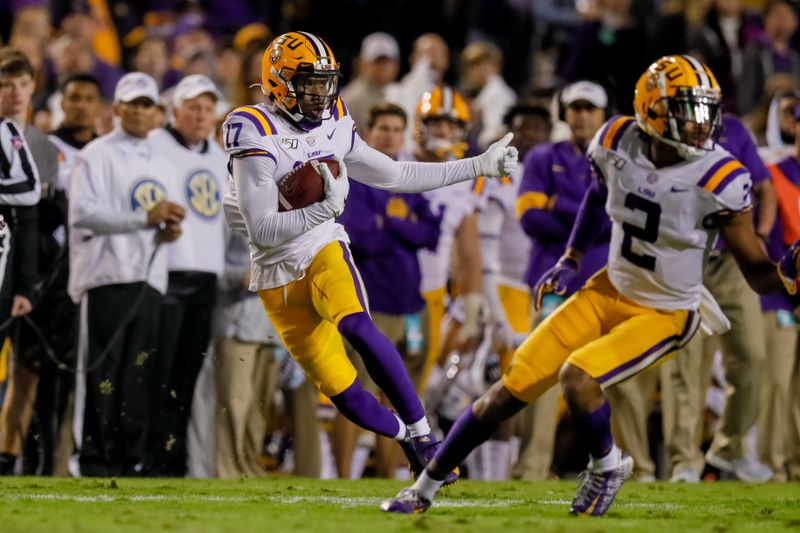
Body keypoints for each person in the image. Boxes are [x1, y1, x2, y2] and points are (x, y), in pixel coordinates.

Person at [381, 55, 800, 516]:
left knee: (578, 377)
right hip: (607, 289)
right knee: (509, 387)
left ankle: (606, 465)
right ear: (652, 110)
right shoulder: (615, 139)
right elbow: (600, 195)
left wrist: (787, 275)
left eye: (705, 110)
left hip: (666, 310)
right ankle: (422, 489)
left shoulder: (721, 177)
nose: (701, 125)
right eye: (688, 110)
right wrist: (571, 257)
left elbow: (759, 273)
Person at [222, 31, 516, 483]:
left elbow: (397, 174)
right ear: (278, 82)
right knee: (343, 392)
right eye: (309, 82)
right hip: (274, 273)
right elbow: (262, 229)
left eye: (325, 82)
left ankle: (425, 435)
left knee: (358, 324)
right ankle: (407, 436)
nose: (321, 94)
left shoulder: (334, 120)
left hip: (321, 247)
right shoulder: (253, 129)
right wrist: (324, 205)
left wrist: (477, 164)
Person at [68, 72, 186, 477]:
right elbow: (82, 214)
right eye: (132, 103)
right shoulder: (95, 155)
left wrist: (168, 230)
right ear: (116, 109)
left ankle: (128, 458)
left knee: (137, 377)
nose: (139, 111)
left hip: (149, 277)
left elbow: (158, 221)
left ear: (156, 113)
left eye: (146, 104)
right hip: (105, 276)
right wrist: (144, 218)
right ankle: (91, 459)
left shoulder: (164, 163)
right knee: (101, 374)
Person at [334, 102, 441, 478]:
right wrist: (401, 226)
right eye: (384, 128)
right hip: (371, 303)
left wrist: (391, 224)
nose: (390, 135)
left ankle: (390, 473)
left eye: (398, 128)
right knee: (357, 394)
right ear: (369, 131)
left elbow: (431, 234)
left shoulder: (406, 175)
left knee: (400, 399)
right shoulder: (355, 175)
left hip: (411, 302)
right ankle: (344, 475)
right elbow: (363, 236)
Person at [145, 74, 228, 476]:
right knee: (157, 374)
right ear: (175, 110)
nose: (200, 115)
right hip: (167, 275)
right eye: (193, 107)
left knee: (186, 379)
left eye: (207, 108)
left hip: (206, 280)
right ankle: (147, 457)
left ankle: (172, 460)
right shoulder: (154, 146)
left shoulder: (218, 156)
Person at [473, 103, 552, 480]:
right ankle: (494, 477)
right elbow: (486, 255)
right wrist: (495, 313)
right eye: (524, 128)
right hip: (505, 289)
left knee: (536, 390)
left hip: (539, 289)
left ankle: (520, 472)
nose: (532, 136)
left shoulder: (554, 173)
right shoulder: (502, 177)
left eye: (539, 128)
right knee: (505, 388)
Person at [340, 33, 400, 131]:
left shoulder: (398, 91)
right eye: (377, 61)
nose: (384, 67)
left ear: (397, 65)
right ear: (362, 63)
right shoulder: (351, 98)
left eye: (388, 61)